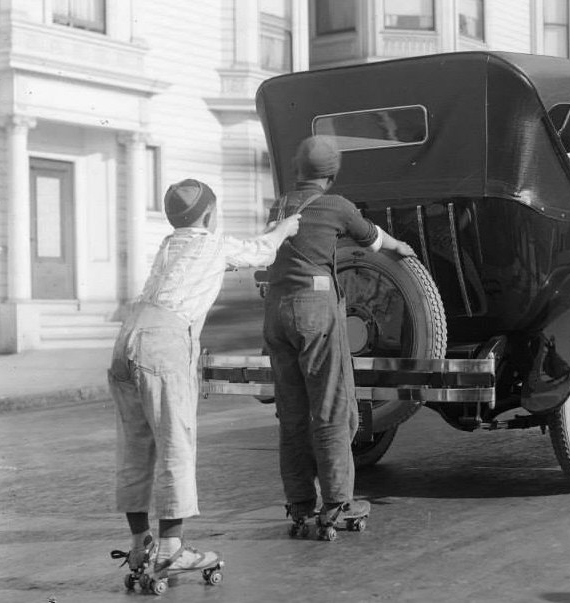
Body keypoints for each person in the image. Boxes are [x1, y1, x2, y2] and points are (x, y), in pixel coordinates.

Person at [109, 178, 301, 589]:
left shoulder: (168, 245)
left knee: (135, 446)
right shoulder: (212, 244)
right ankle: (172, 549)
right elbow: (261, 251)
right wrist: (286, 228)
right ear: (210, 216)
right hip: (164, 343)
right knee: (176, 443)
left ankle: (140, 543)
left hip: (126, 338)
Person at [264, 135, 415, 539]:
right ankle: (336, 502)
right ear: (331, 175)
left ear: (298, 169)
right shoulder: (338, 206)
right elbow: (373, 239)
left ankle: (299, 503)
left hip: (275, 312)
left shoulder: (279, 204)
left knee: (292, 413)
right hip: (313, 311)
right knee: (331, 405)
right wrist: (401, 246)